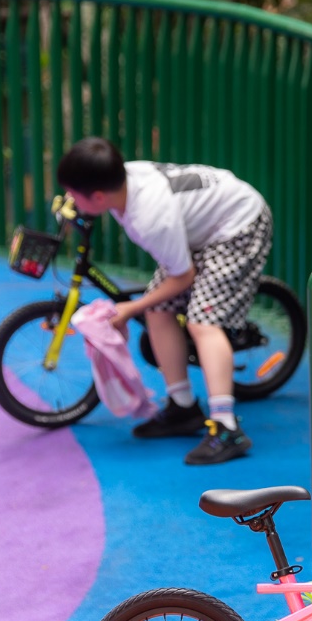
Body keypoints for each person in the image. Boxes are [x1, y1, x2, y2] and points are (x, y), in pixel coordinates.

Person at [56, 137, 272, 465]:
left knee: (203, 322)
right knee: (158, 309)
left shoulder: (150, 219)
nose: (68, 200)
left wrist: (130, 308)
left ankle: (227, 428)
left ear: (98, 197)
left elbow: (182, 278)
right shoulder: (125, 182)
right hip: (203, 226)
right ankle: (183, 407)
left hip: (237, 226)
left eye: (73, 194)